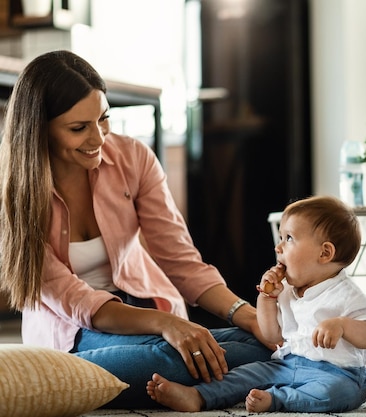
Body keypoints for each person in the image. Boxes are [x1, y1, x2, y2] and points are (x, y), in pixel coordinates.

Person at [0, 50, 273, 409]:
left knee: (257, 342)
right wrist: (165, 325)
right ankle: (63, 370)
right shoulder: (13, 192)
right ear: (40, 130)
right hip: (74, 330)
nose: (98, 138)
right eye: (79, 128)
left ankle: (100, 377)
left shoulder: (132, 158)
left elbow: (181, 262)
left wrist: (249, 315)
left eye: (103, 119)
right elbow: (81, 304)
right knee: (170, 359)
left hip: (147, 308)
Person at [146, 195, 366, 412]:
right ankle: (198, 397)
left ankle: (277, 399)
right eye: (281, 237)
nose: (278, 247)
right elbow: (272, 335)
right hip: (289, 364)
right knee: (245, 374)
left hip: (338, 373)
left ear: (325, 253)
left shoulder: (345, 295)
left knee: (336, 393)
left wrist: (343, 325)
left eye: (289, 238)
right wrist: (267, 299)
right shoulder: (288, 292)